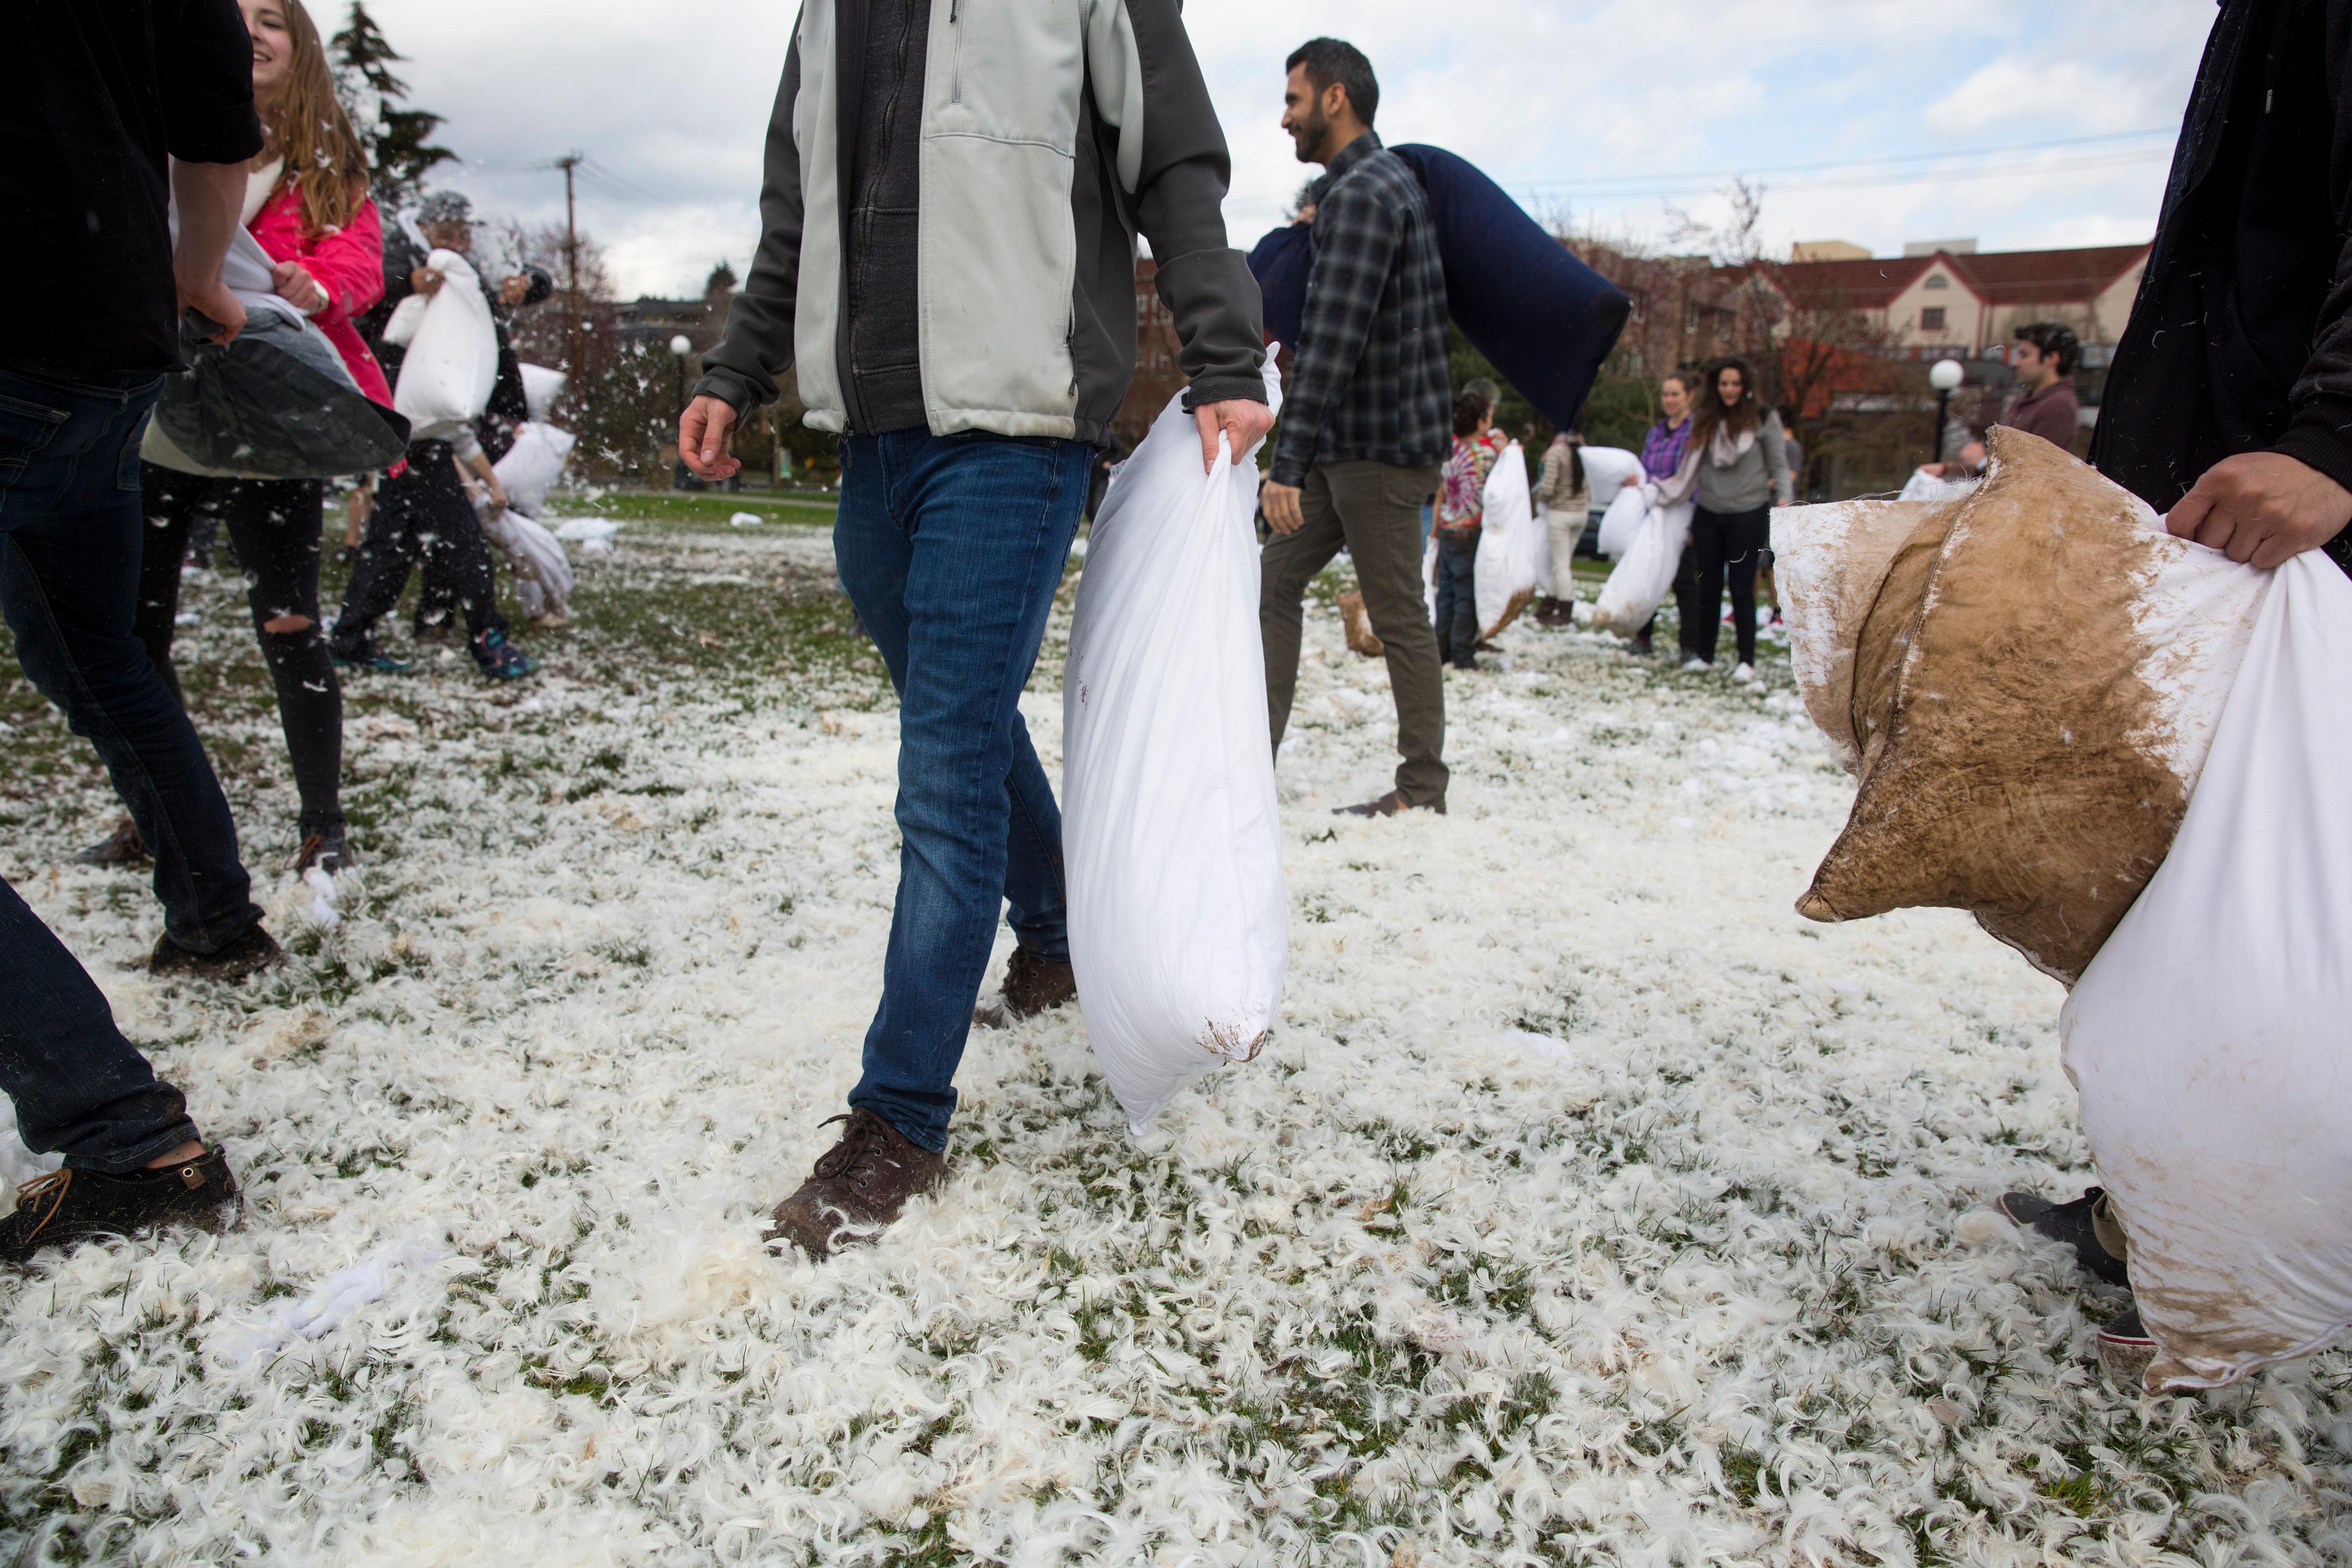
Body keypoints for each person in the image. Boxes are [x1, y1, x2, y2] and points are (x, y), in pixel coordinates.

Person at [676, 0, 1271, 1256]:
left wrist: (1225, 351)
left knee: (942, 775)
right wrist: (736, 370)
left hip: (1014, 427)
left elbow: (1176, 156)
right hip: (873, 437)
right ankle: (1053, 933)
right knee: (959, 714)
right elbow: (796, 210)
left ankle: (898, 1118)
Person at [2006, 0, 2352, 1372]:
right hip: (2226, 483)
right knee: (2187, 885)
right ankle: (2170, 1218)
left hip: (2302, 494)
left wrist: (2337, 432)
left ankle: (2251, 1252)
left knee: (2291, 898)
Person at [0, 0, 268, 1260]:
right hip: (103, 342)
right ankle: (215, 914)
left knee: (101, 651)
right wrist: (196, 279)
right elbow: (215, 129)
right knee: (97, 651)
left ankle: (123, 1128)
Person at [111, 0, 385, 877]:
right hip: (162, 406)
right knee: (137, 617)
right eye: (237, 16)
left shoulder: (327, 166)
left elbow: (361, 263)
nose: (253, 31)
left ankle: (322, 821)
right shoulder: (155, 131)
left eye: (273, 18)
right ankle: (155, 812)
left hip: (267, 417)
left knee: (288, 614)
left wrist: (315, 284)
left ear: (298, 49)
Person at [1257, 38, 1452, 819]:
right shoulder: (1367, 188)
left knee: (1398, 613)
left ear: (1335, 98)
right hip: (1353, 446)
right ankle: (1249, 756)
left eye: (1295, 100)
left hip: (1374, 451)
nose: (1285, 118)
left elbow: (1331, 342)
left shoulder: (1365, 195)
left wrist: (1286, 464)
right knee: (1272, 582)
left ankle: (1421, 790)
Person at [329, 191, 536, 679]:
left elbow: (513, 298)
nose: (462, 242)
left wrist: (529, 282)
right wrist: (410, 283)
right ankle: (488, 638)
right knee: (461, 538)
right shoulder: (398, 255)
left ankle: (351, 635)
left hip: (417, 427)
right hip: (410, 422)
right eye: (453, 233)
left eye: (466, 233)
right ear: (431, 229)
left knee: (394, 540)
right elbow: (368, 287)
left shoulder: (463, 276)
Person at [416, 263, 554, 638]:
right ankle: (442, 611)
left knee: (495, 520)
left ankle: (454, 610)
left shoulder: (496, 317)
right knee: (460, 523)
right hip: (474, 425)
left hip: (494, 428)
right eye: (524, 288)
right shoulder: (477, 307)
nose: (519, 296)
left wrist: (515, 422)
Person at [1649, 354, 1791, 681]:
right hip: (1709, 513)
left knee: (1742, 588)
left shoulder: (1763, 418)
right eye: (1724, 384)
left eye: (1736, 384)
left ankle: (1746, 661)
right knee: (1708, 587)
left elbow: (1779, 464)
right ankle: (1706, 655)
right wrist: (1657, 490)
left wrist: (1784, 499)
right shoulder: (1706, 420)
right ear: (1717, 386)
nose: (1730, 390)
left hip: (1748, 511)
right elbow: (1688, 470)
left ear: (1746, 386)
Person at [1433, 392, 1503, 668]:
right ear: (1481, 421)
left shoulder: (1449, 452)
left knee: (1447, 593)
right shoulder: (1488, 455)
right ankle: (1463, 653)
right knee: (1467, 595)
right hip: (1471, 532)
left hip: (1449, 528)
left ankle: (1442, 650)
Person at [1629, 371, 1697, 657]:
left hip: (1681, 511)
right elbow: (1645, 469)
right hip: (1654, 512)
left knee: (1685, 582)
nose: (1669, 400)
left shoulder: (1695, 431)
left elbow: (1694, 477)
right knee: (1649, 575)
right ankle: (1643, 638)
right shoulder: (1656, 431)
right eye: (1665, 394)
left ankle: (1690, 647)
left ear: (1689, 396)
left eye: (1675, 394)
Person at [1534, 430, 1589, 626]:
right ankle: (1546, 608)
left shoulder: (1557, 452)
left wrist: (1537, 496)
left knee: (1560, 566)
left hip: (1560, 514)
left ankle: (1565, 611)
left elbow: (1548, 488)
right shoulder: (1584, 451)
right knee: (1562, 565)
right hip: (1581, 514)